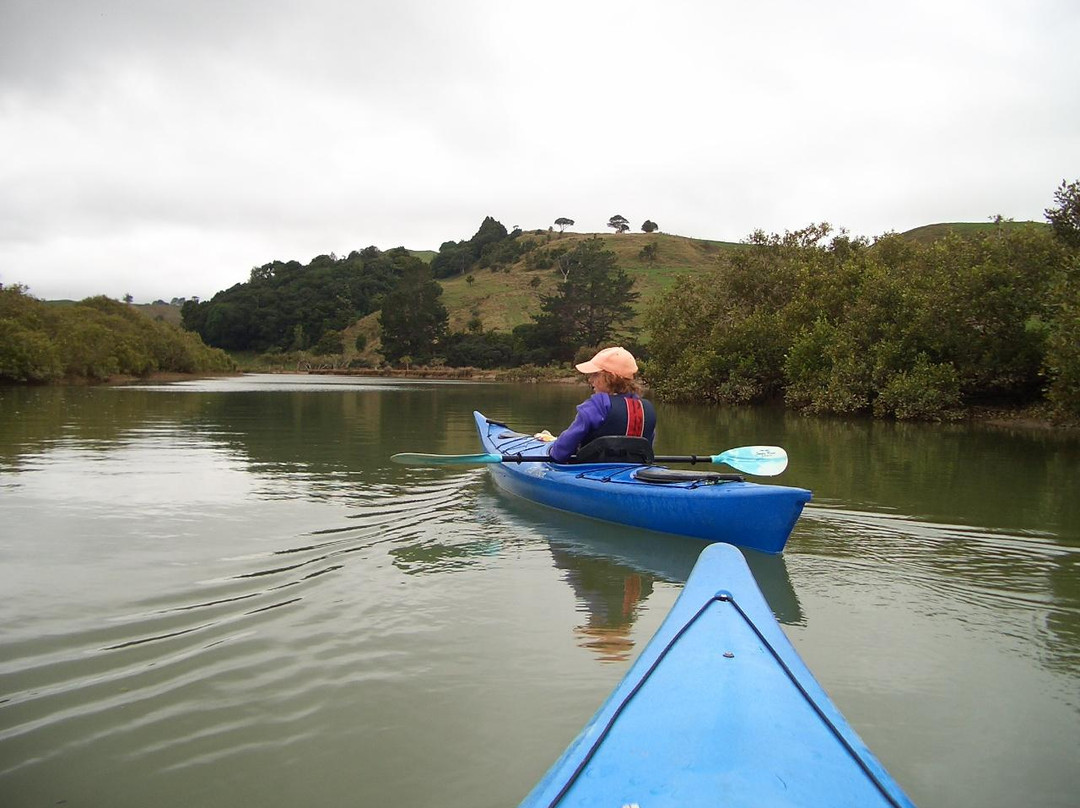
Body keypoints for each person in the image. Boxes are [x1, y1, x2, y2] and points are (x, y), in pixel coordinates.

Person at [549, 346, 656, 463]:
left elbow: (560, 452)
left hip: (592, 472)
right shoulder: (646, 409)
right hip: (635, 471)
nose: (590, 380)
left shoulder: (597, 405)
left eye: (595, 374)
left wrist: (553, 452)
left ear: (609, 377)